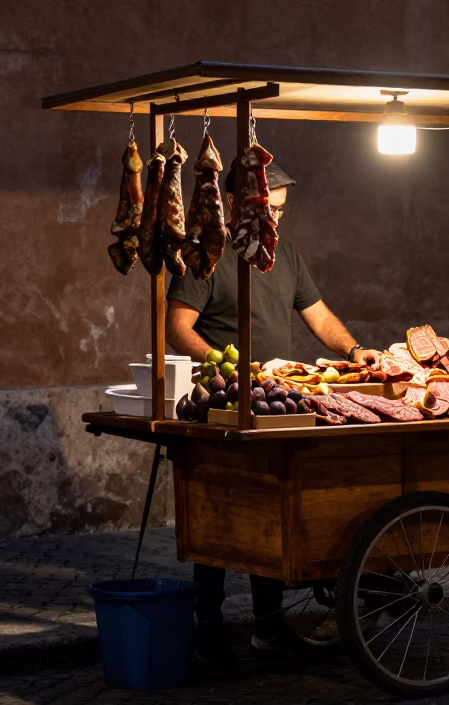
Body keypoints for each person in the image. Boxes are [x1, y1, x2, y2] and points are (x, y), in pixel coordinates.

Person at [166, 158, 380, 664]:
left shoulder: (285, 254)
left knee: (269, 513)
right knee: (217, 517)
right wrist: (226, 367)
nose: (278, 220)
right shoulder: (209, 256)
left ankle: (267, 627)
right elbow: (177, 327)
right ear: (239, 205)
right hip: (221, 403)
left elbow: (319, 315)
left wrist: (354, 351)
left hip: (273, 402)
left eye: (282, 210)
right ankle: (209, 630)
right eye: (270, 209)